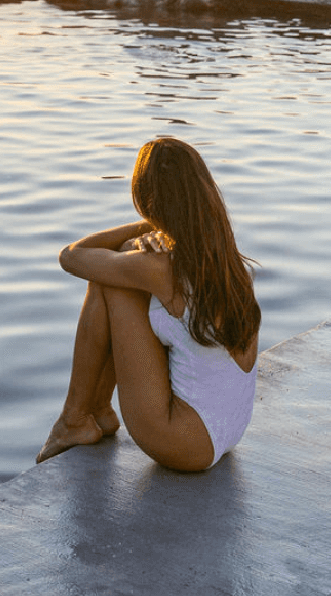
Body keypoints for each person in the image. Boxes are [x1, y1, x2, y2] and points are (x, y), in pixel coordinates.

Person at [36, 136, 260, 470]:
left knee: (108, 278)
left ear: (149, 200)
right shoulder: (229, 263)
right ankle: (95, 411)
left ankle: (75, 418)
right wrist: (160, 229)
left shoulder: (162, 268)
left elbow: (71, 256)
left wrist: (150, 225)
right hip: (228, 431)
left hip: (184, 443)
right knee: (120, 269)